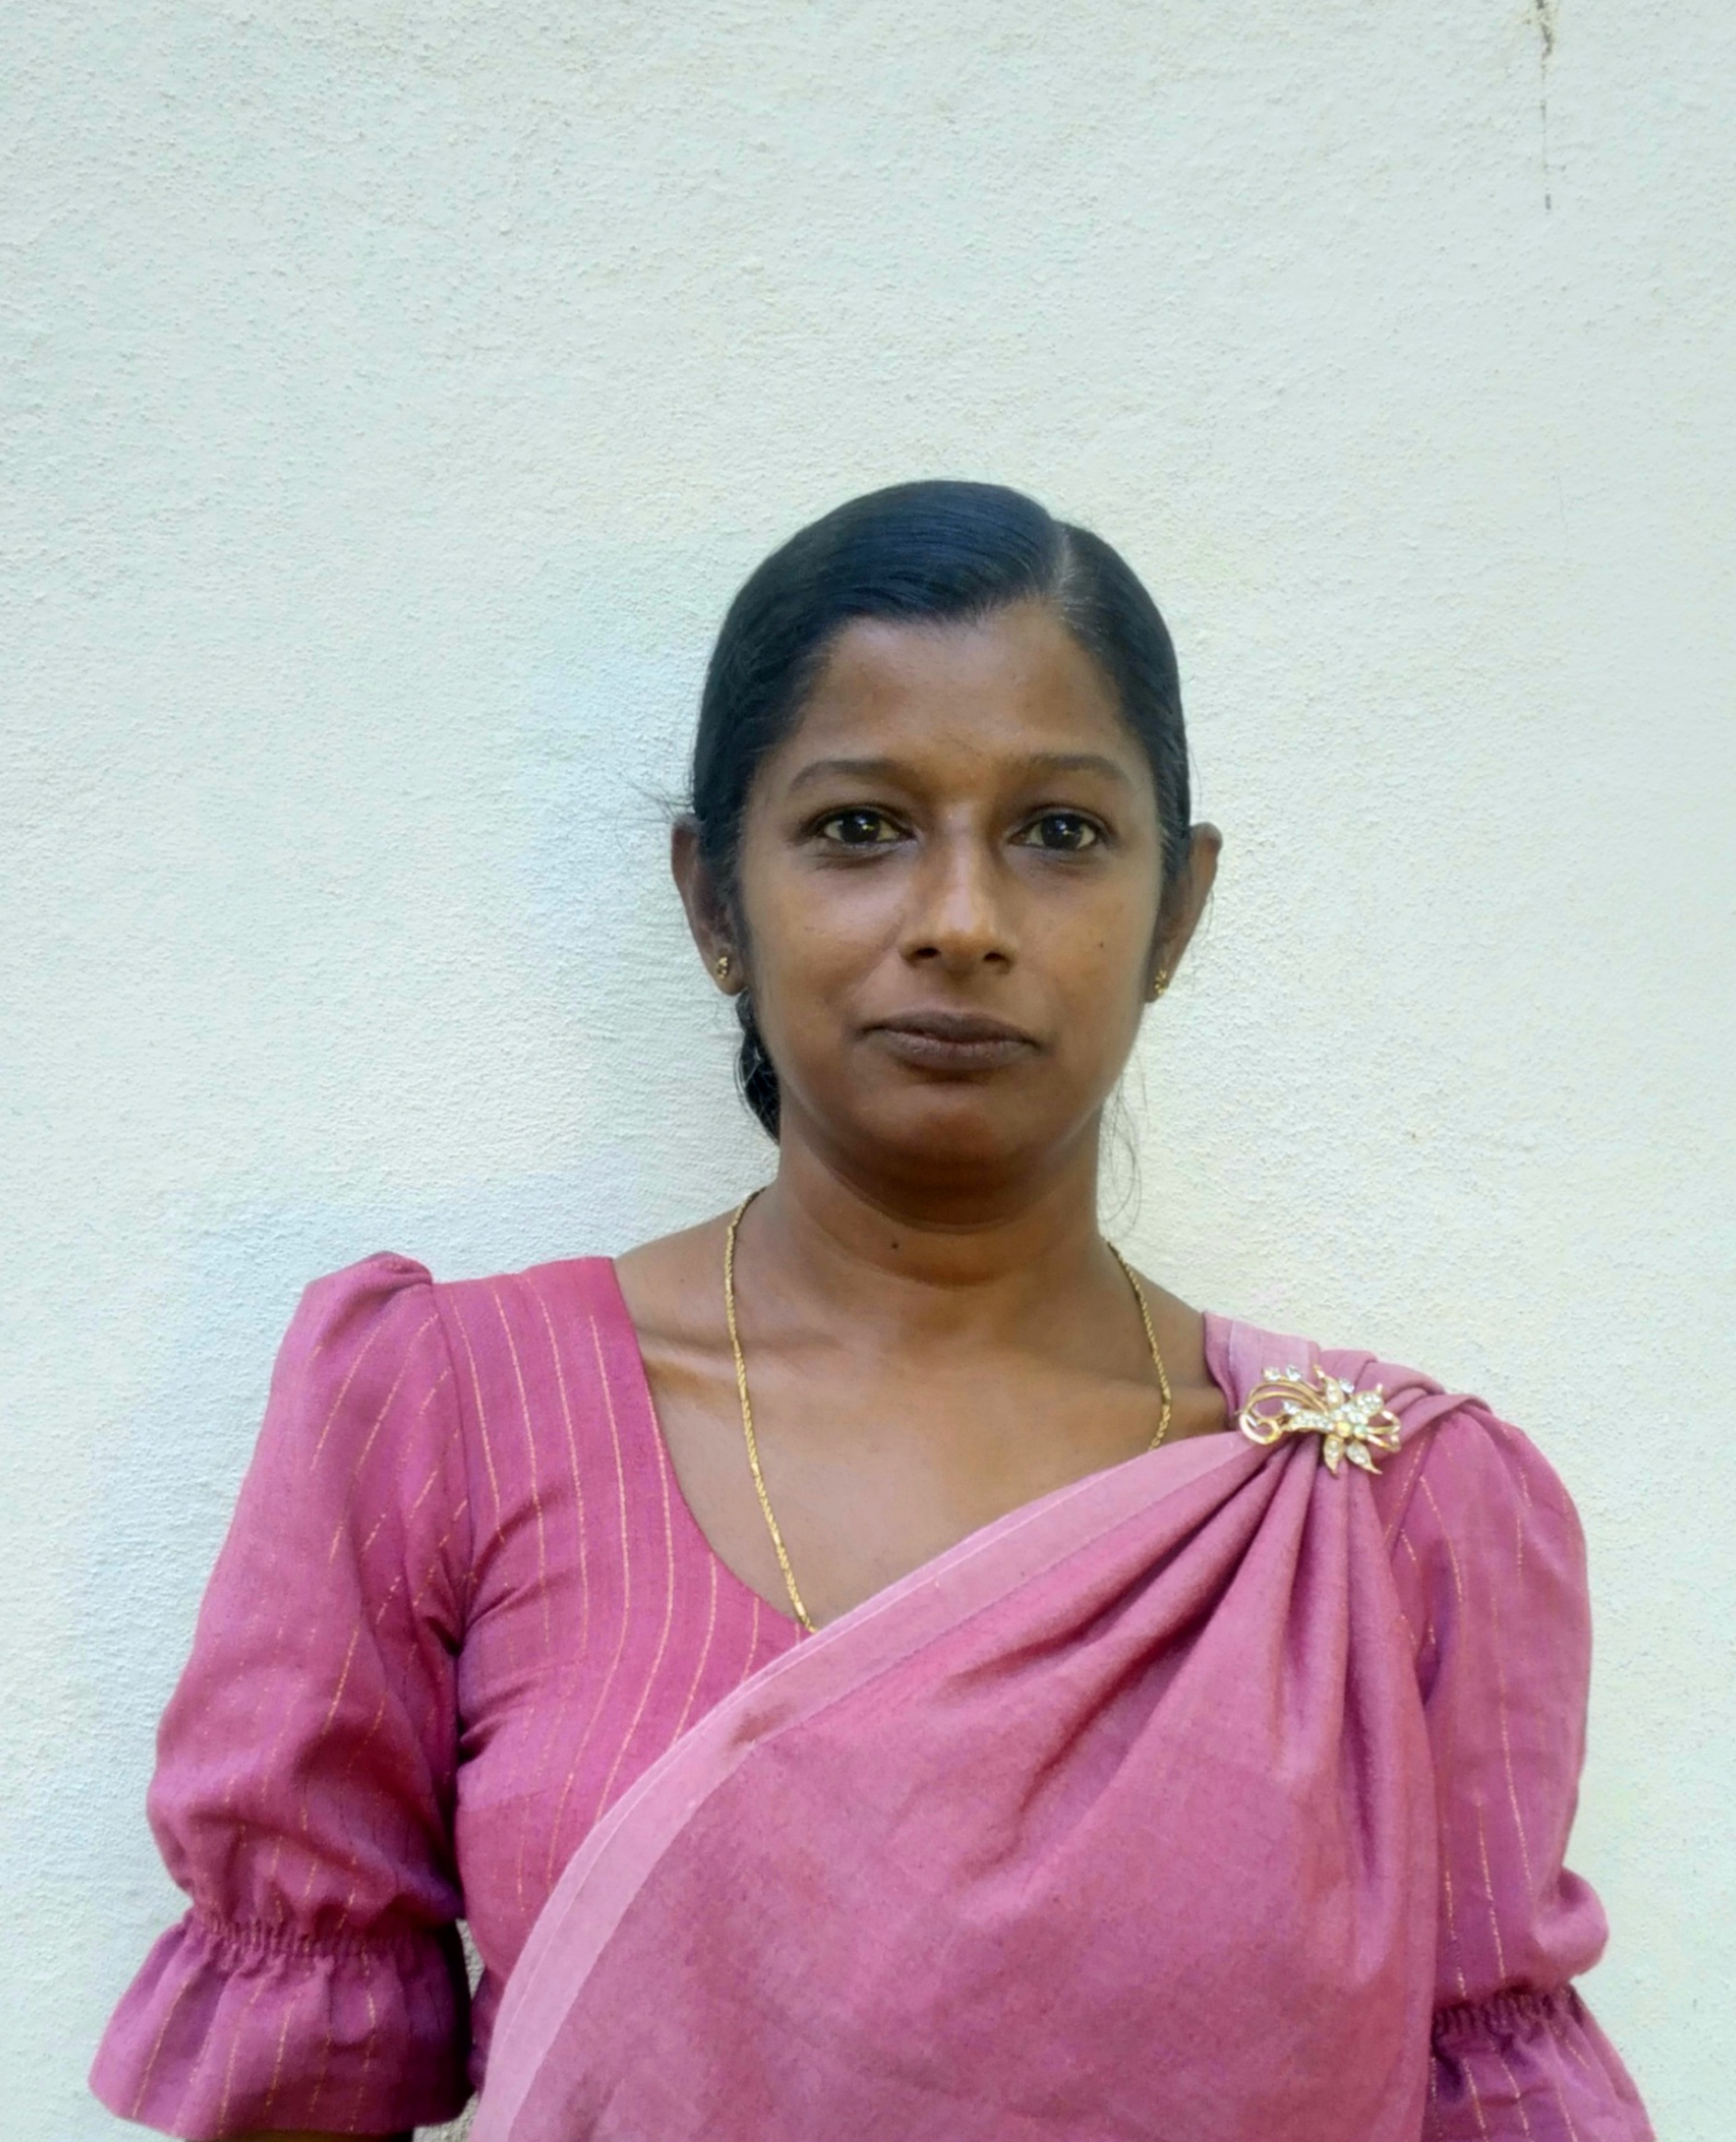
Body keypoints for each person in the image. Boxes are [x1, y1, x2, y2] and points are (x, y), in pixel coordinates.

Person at [93, 481, 1653, 2142]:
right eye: (859, 828)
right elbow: (300, 2093)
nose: (961, 921)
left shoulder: (1388, 1515)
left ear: (1177, 911)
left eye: (1060, 833)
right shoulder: (446, 1412)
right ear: (714, 901)